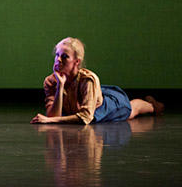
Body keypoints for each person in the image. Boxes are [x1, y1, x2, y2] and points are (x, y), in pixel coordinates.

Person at [31, 37, 165, 124]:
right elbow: (53, 115)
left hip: (105, 105)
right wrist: (60, 87)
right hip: (89, 96)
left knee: (131, 110)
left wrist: (50, 121)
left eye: (65, 57)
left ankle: (153, 106)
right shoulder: (51, 81)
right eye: (57, 55)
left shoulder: (88, 79)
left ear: (76, 62)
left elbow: (85, 117)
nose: (58, 60)